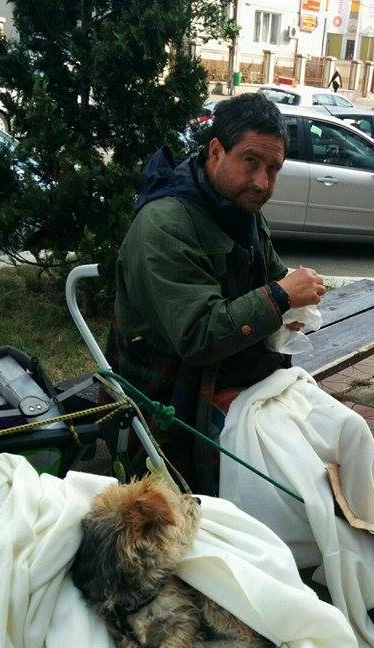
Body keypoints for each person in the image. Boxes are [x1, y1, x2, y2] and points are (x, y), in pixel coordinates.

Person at [112, 93, 325, 490]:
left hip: (232, 372)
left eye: (273, 168)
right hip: (172, 395)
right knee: (288, 476)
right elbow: (198, 335)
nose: (263, 182)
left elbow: (272, 276)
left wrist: (292, 306)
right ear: (215, 151)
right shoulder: (165, 224)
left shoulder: (239, 207)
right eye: (251, 161)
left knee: (340, 438)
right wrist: (279, 298)